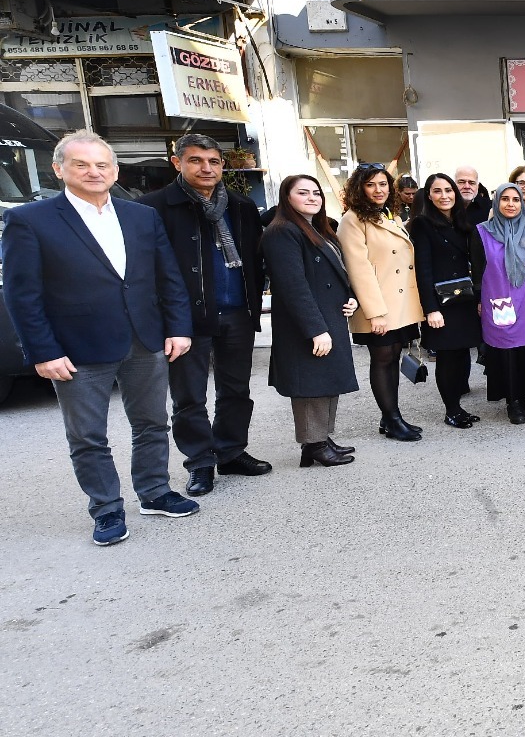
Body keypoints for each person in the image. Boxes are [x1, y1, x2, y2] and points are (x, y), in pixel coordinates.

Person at [1, 132, 197, 544]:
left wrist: (179, 327)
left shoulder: (140, 216)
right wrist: (43, 351)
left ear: (115, 171)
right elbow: (22, 295)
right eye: (82, 164)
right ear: (59, 170)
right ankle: (106, 510)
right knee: (88, 436)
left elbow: (169, 278)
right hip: (76, 349)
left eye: (102, 165)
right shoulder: (30, 221)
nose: (94, 172)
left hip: (145, 340)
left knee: (152, 423)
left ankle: (155, 492)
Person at [138, 132, 270, 497]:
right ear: (177, 163)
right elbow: (147, 270)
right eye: (196, 160)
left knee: (236, 390)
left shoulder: (241, 206)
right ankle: (199, 462)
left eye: (213, 161)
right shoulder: (155, 207)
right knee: (189, 397)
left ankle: (230, 451)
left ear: (222, 166)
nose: (206, 168)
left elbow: (255, 259)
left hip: (237, 313)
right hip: (186, 320)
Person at [260, 175, 358, 468]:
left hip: (329, 316)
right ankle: (313, 443)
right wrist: (316, 329)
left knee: (327, 381)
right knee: (310, 385)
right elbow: (293, 286)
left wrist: (351, 297)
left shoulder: (317, 228)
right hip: (307, 323)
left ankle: (320, 439)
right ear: (286, 197)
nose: (312, 198)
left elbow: (337, 271)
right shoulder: (282, 232)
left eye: (316, 193)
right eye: (303, 193)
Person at [338, 163, 425, 442]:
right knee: (383, 358)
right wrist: (376, 313)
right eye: (371, 184)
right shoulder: (353, 219)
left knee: (393, 357)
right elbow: (358, 269)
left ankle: (391, 416)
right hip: (378, 306)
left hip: (398, 304)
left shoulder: (387, 215)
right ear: (359, 188)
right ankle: (391, 419)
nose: (379, 190)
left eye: (384, 184)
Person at [471, 183, 525, 424]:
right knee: (508, 353)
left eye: (515, 199)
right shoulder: (481, 232)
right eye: (504, 199)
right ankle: (514, 401)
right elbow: (477, 271)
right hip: (500, 298)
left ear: (522, 203)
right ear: (496, 203)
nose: (510, 204)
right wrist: (478, 300)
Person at [409, 173, 483, 428]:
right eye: (437, 191)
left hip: (464, 299)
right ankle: (451, 410)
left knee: (462, 354)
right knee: (448, 358)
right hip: (442, 304)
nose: (445, 196)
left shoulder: (461, 221)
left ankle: (458, 407)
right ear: (428, 195)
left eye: (448, 190)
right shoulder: (422, 224)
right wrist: (431, 309)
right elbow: (423, 269)